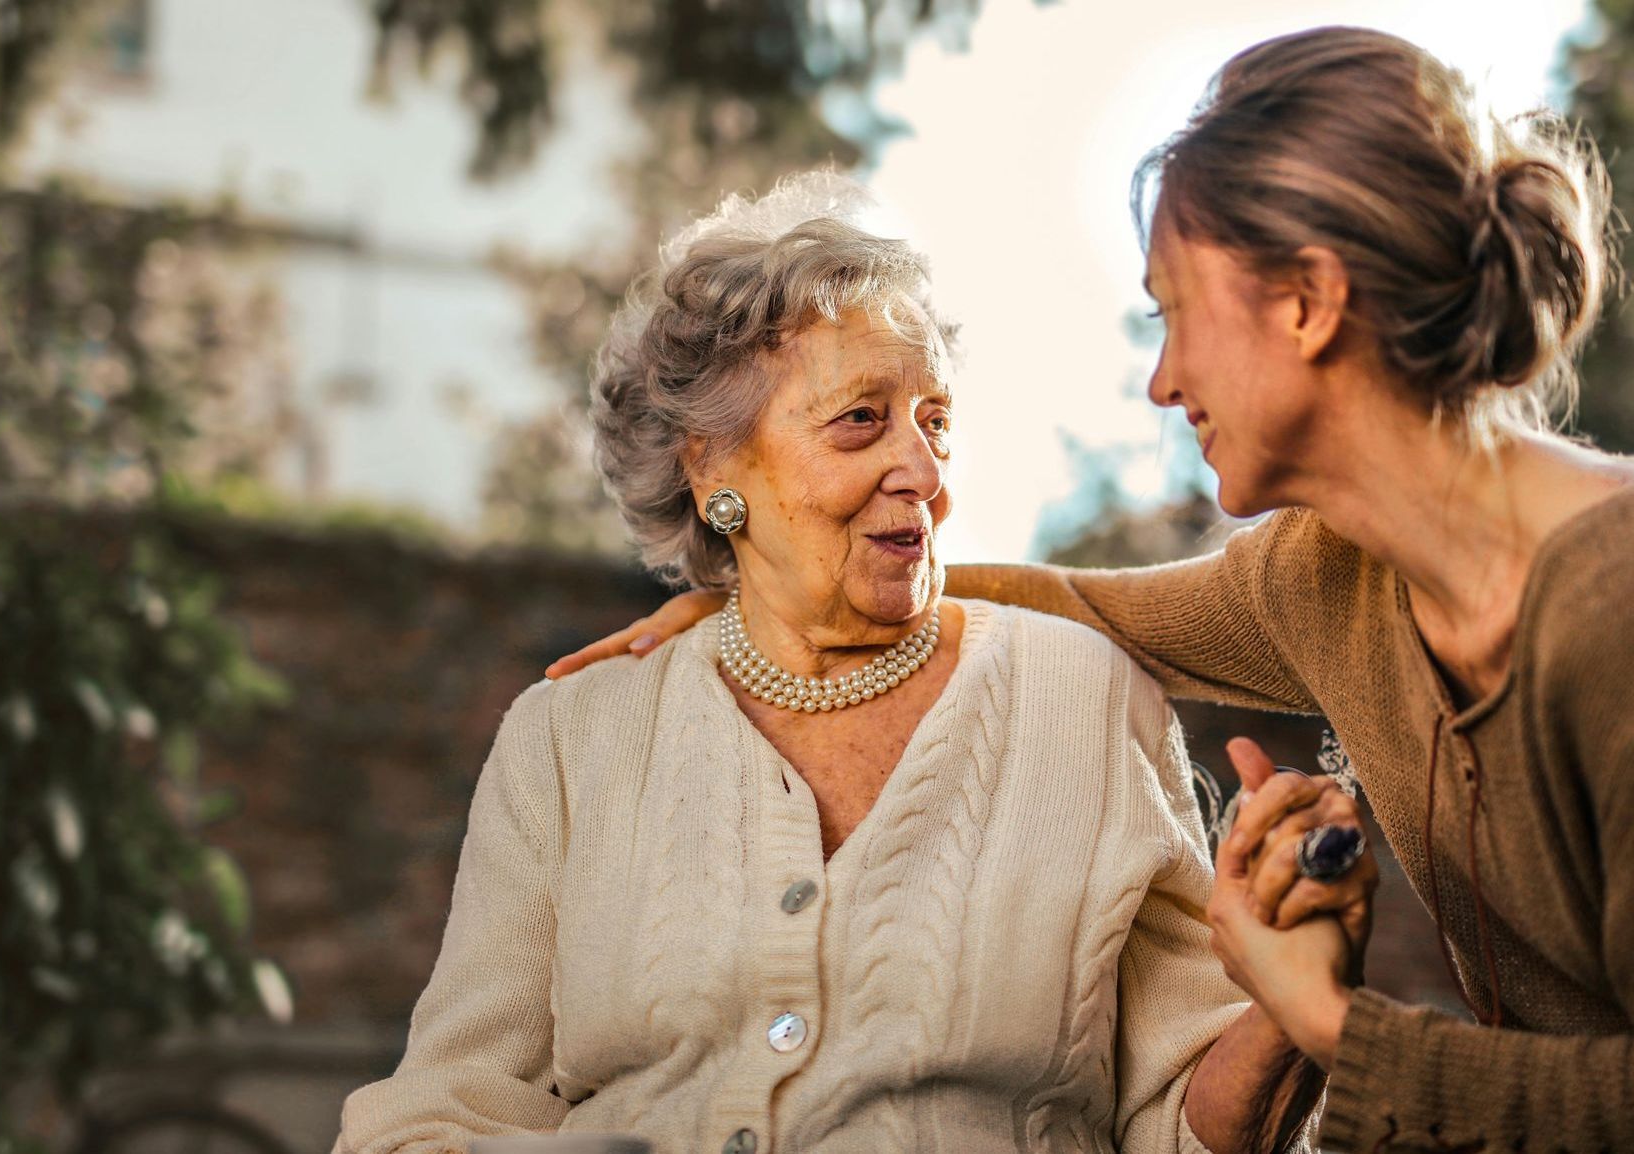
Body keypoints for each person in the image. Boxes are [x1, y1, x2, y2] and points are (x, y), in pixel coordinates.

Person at [547, 28, 1634, 1153]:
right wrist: (777, 597)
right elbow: (1088, 607)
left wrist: (1329, 1020)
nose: (1163, 382)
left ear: (1310, 302)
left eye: (1175, 313)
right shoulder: (1334, 573)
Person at [336, 174, 1343, 1154]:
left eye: (935, 421)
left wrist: (1290, 1007)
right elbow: (450, 1104)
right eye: (862, 417)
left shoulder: (1086, 700)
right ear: (711, 464)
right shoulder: (570, 737)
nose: (925, 471)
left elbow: (1189, 1127)